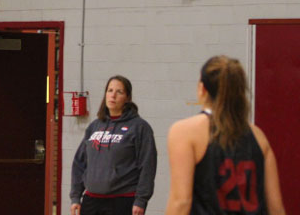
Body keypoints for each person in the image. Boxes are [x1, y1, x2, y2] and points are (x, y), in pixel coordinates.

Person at [166, 55, 286, 215]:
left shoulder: (185, 131)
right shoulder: (259, 136)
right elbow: (276, 209)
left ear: (202, 89)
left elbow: (181, 202)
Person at [70, 75, 157, 215]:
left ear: (127, 98)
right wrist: (75, 197)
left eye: (119, 92)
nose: (113, 95)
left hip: (123, 200)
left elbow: (147, 166)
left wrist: (141, 200)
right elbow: (79, 163)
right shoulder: (95, 126)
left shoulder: (139, 127)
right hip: (92, 200)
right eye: (110, 90)